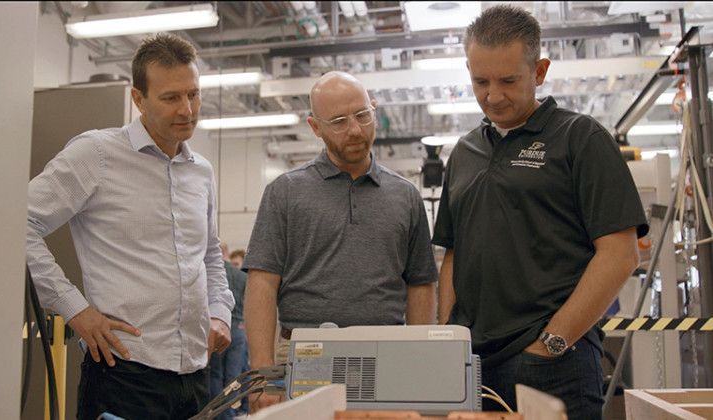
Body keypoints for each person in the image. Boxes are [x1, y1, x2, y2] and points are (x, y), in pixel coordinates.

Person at [431, 5, 649, 419]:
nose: (493, 96)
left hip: (554, 360)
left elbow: (621, 254)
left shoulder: (579, 138)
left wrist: (553, 342)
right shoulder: (464, 152)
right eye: (481, 81)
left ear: (540, 70)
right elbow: (454, 256)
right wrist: (449, 341)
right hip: (473, 362)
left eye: (509, 81)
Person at [26, 33, 235, 420]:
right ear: (139, 99)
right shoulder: (98, 154)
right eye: (171, 98)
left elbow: (208, 254)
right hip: (124, 373)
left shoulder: (201, 172)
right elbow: (19, 223)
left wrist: (221, 311)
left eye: (193, 94)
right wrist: (74, 309)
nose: (187, 109)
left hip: (194, 375)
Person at [242, 71, 439, 413]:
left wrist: (419, 358)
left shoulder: (405, 196)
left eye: (363, 115)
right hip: (305, 357)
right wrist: (264, 375)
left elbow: (420, 283)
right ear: (315, 127)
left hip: (387, 354)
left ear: (374, 110)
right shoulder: (285, 192)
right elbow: (262, 284)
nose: (355, 130)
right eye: (338, 121)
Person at [208, 242, 249, 419]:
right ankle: (232, 413)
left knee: (215, 374)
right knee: (233, 377)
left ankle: (220, 415)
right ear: (227, 253)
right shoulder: (241, 276)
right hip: (238, 330)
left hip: (217, 327)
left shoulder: (210, 276)